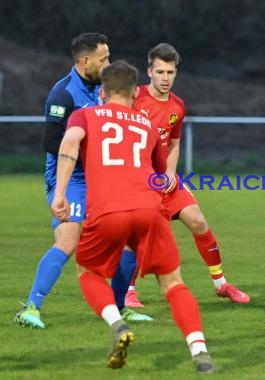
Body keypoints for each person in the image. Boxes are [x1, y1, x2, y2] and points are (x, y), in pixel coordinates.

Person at [50, 60, 215, 373]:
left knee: (88, 271)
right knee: (173, 283)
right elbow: (158, 172)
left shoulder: (85, 114)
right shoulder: (148, 125)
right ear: (134, 92)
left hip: (108, 210)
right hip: (150, 209)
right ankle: (199, 351)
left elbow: (70, 142)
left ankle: (118, 324)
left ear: (102, 91)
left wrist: (60, 194)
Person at [14, 33, 150, 329]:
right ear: (86, 61)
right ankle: (31, 307)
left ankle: (118, 307)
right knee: (68, 239)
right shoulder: (63, 94)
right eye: (104, 59)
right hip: (71, 179)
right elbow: (52, 143)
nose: (109, 63)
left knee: (131, 241)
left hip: (103, 178)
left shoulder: (107, 88)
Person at [112, 43, 249, 308]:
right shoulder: (133, 98)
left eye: (170, 72)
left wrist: (171, 172)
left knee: (198, 221)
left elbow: (173, 143)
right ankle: (128, 290)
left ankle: (221, 285)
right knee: (141, 233)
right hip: (137, 181)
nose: (165, 78)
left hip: (165, 180)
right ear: (149, 71)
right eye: (160, 72)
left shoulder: (177, 106)